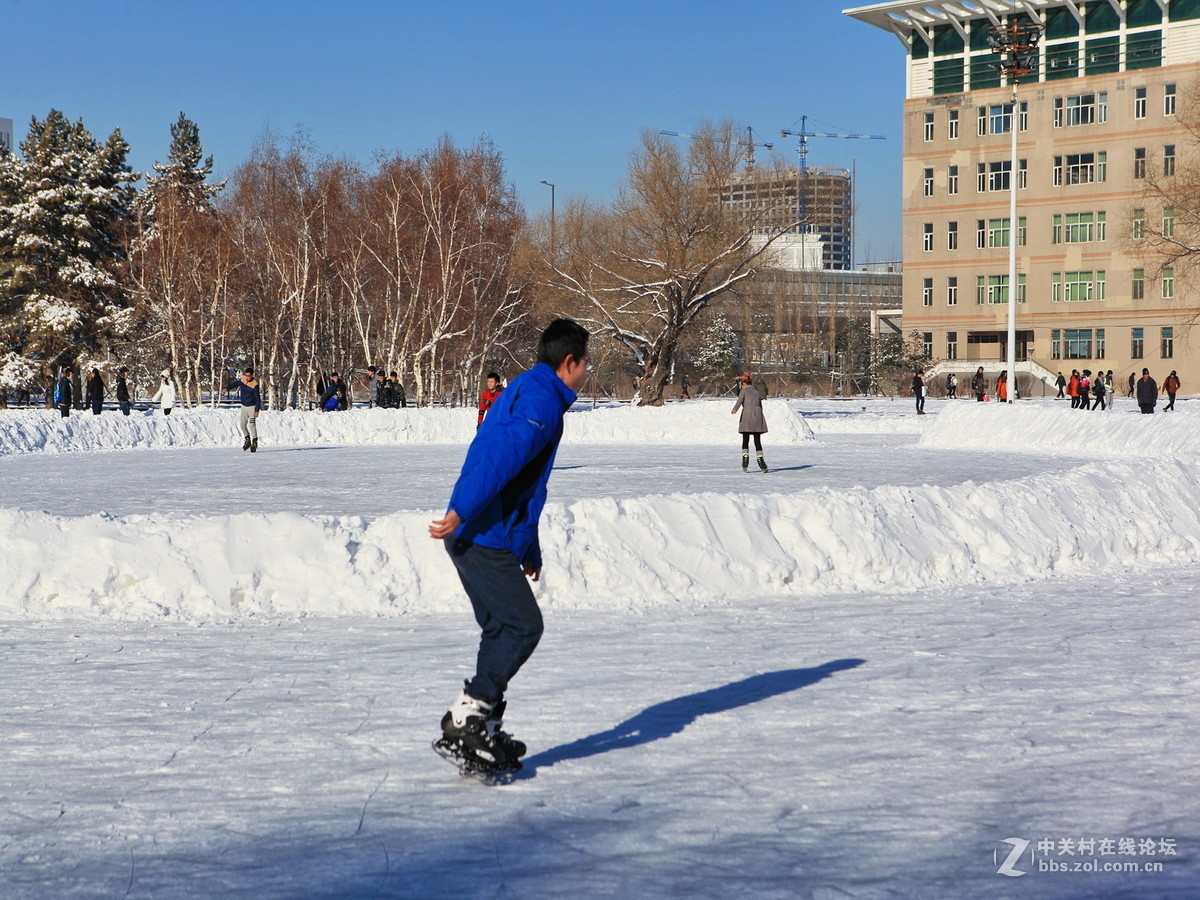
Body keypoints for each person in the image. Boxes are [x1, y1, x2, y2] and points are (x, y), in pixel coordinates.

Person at [429, 318, 590, 779]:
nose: (585, 373)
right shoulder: (542, 399)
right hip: (478, 533)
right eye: (585, 364)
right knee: (522, 627)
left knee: (501, 627)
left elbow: (525, 487)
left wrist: (529, 547)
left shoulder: (529, 388)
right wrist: (462, 508)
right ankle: (469, 716)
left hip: (480, 533)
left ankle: (483, 727)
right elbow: (501, 454)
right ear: (569, 362)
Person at [731, 371, 770, 472]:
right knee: (757, 441)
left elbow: (739, 400)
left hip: (747, 415)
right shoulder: (756, 391)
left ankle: (745, 460)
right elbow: (760, 405)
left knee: (745, 439)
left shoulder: (744, 391)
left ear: (744, 383)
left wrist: (735, 409)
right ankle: (761, 462)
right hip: (757, 415)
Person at [226, 367, 262, 452]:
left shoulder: (254, 385)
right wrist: (227, 388)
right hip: (244, 407)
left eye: (248, 375)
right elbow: (236, 384)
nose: (246, 377)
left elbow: (257, 398)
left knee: (252, 425)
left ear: (252, 375)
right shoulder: (243, 379)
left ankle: (254, 441)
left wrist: (257, 410)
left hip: (252, 407)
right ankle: (247, 439)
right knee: (242, 424)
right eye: (245, 375)